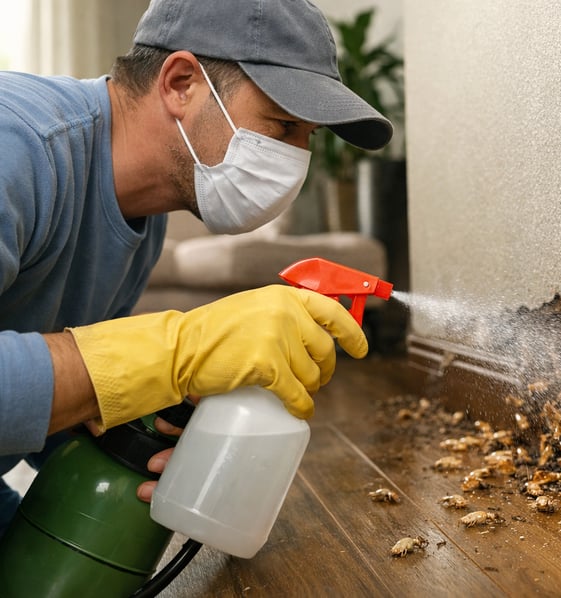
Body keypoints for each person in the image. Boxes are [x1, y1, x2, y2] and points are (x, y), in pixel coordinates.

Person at [0, 0, 392, 536]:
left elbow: (50, 405)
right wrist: (175, 349)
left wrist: (140, 424)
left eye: (309, 136)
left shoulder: (144, 212)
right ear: (181, 83)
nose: (297, 159)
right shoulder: (16, 144)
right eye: (282, 126)